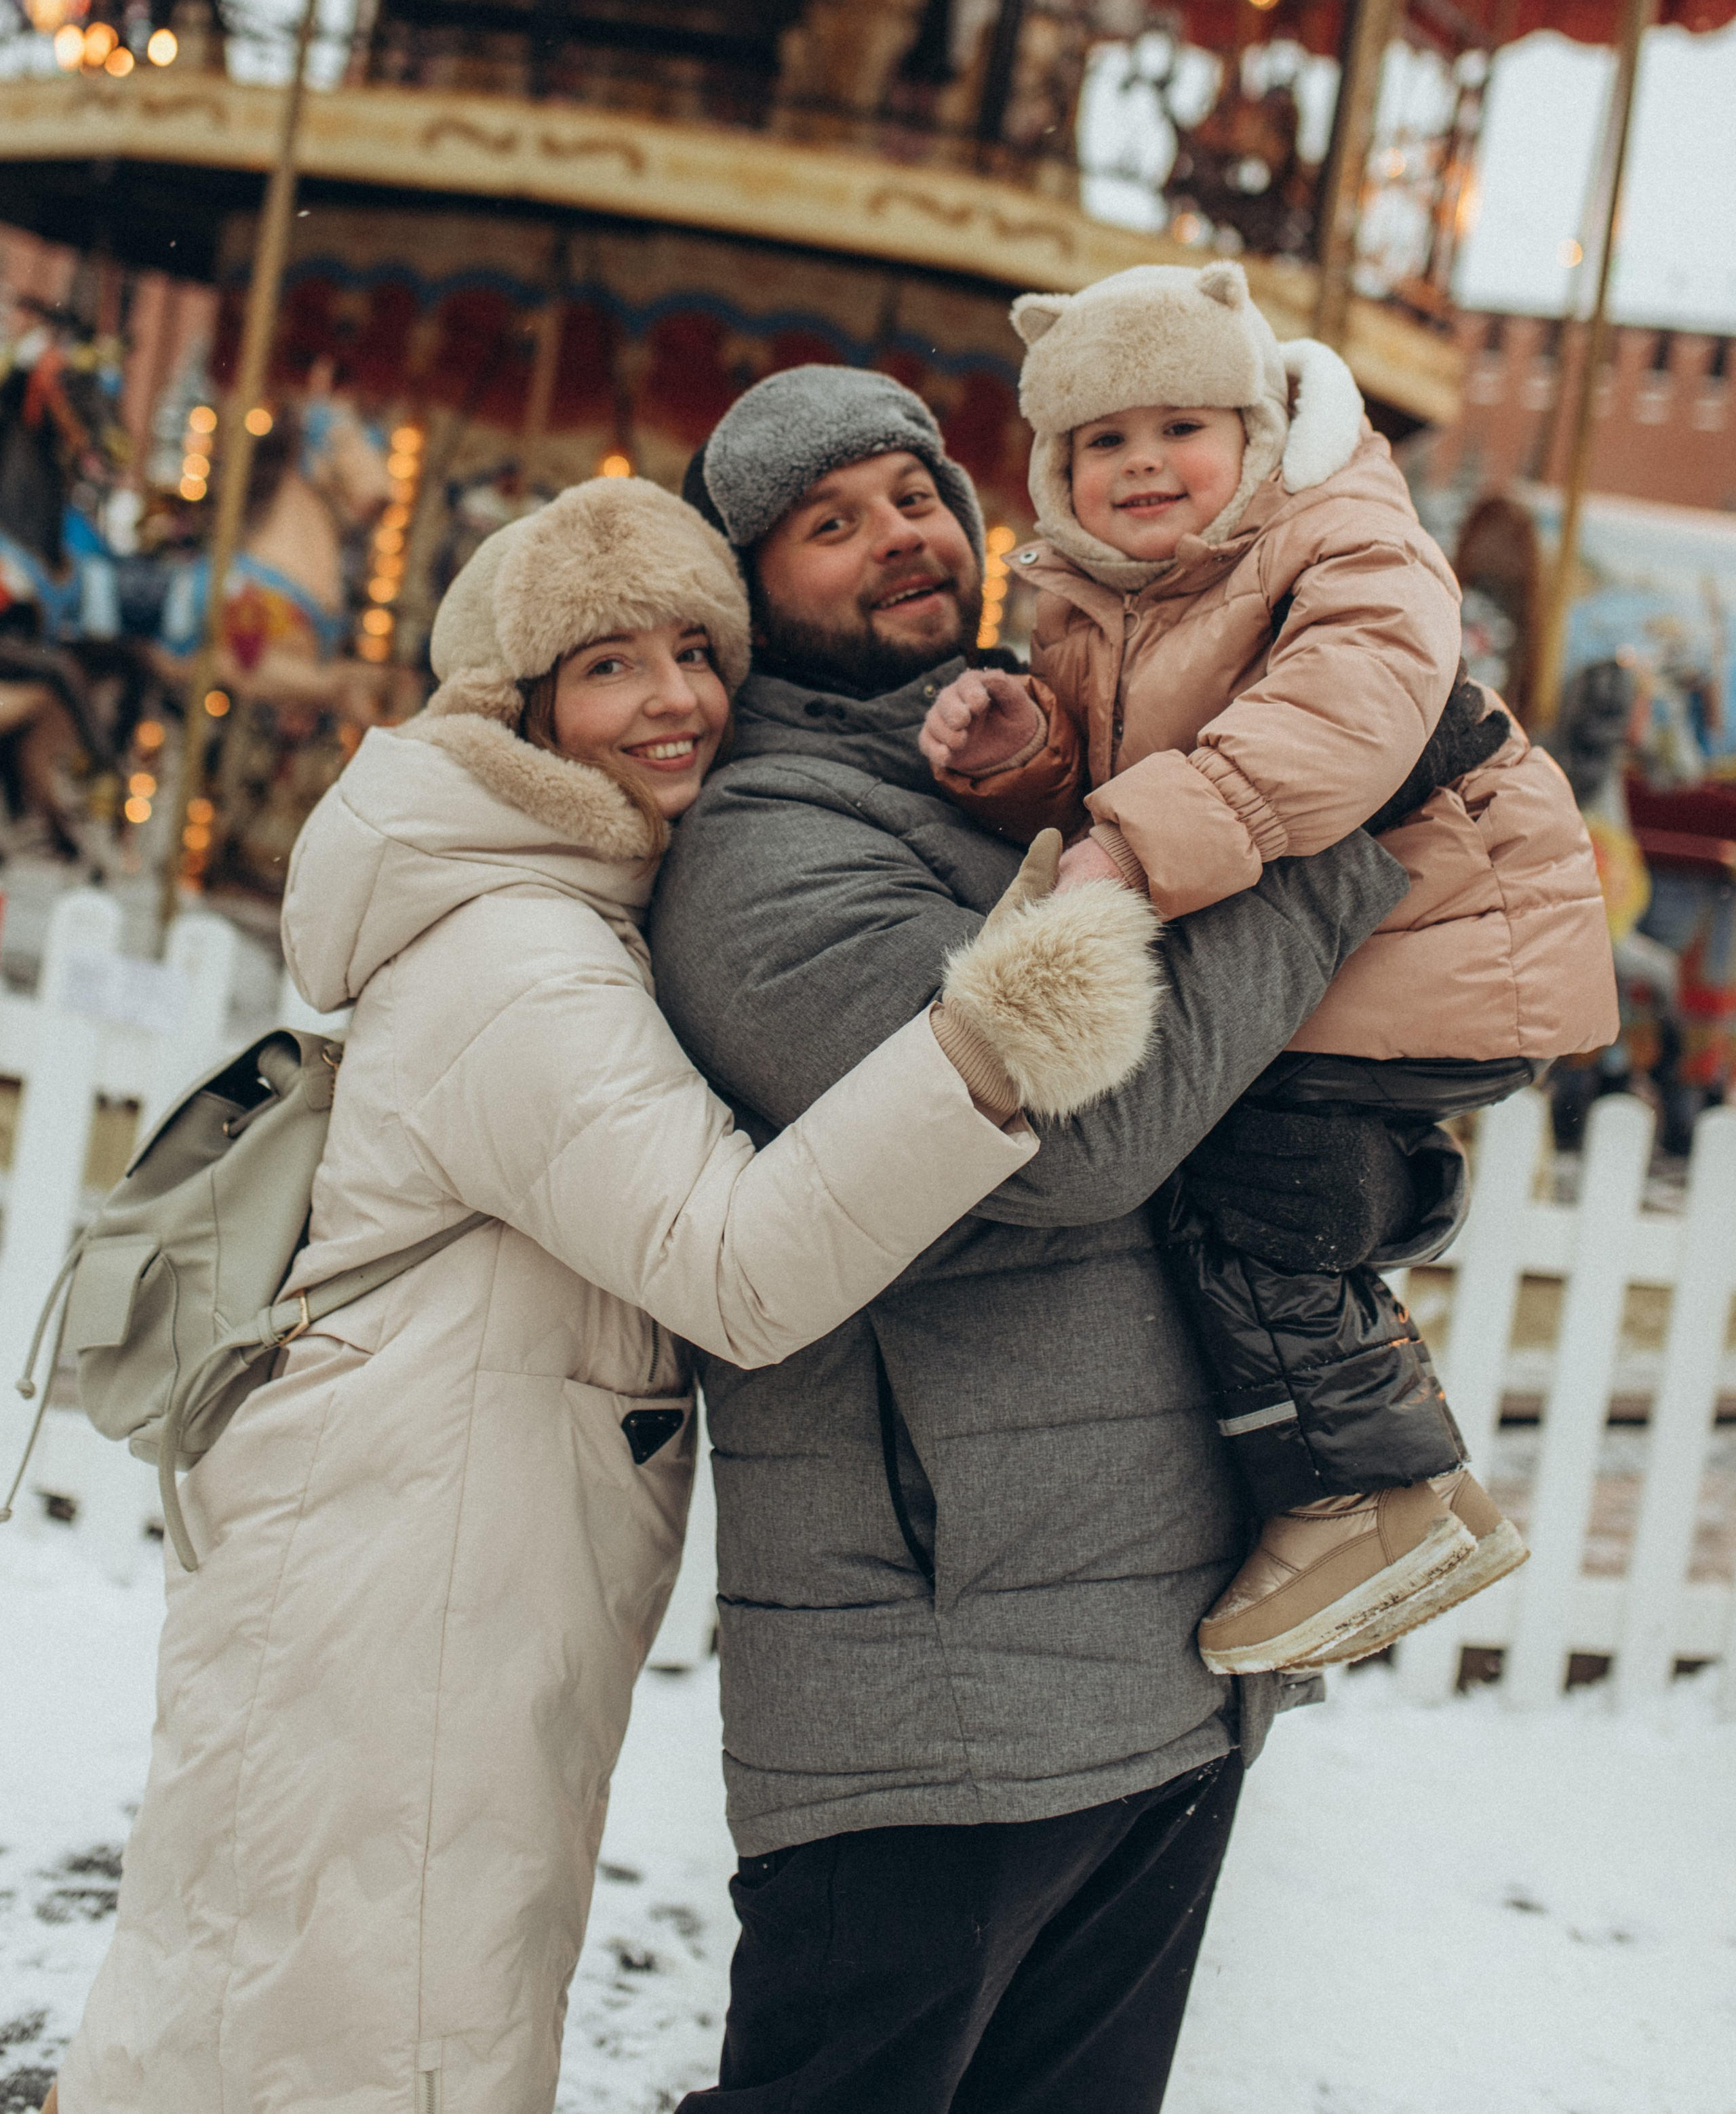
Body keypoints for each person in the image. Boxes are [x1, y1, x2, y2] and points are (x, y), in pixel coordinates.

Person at [47, 475, 1161, 2114]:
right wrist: (986, 1044)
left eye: (697, 651)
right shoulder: (521, 960)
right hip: (407, 1581)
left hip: (423, 1561)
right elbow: (733, 1262)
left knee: (270, 1995)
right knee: (362, 2035)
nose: (676, 700)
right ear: (523, 706)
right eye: (611, 667)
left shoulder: (554, 911)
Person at [652, 364, 1487, 2114]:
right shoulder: (768, 853)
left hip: (1172, 1652)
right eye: (830, 522)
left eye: (912, 492)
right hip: (937, 1690)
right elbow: (1075, 1132)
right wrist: (1341, 844)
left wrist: (1390, 1185)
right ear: (746, 591)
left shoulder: (1059, 766)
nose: (899, 535)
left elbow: (1243, 1091)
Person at [918, 260, 1617, 1675]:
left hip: (1441, 924)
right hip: (1345, 949)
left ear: (1253, 426)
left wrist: (1130, 845)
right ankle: (1384, 1453)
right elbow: (1117, 761)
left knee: (1253, 1184)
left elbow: (1337, 716)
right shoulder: (1093, 594)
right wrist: (1024, 760)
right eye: (1098, 443)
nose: (1140, 466)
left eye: (1177, 426)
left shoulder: (1343, 538)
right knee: (1233, 1169)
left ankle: (1367, 1495)